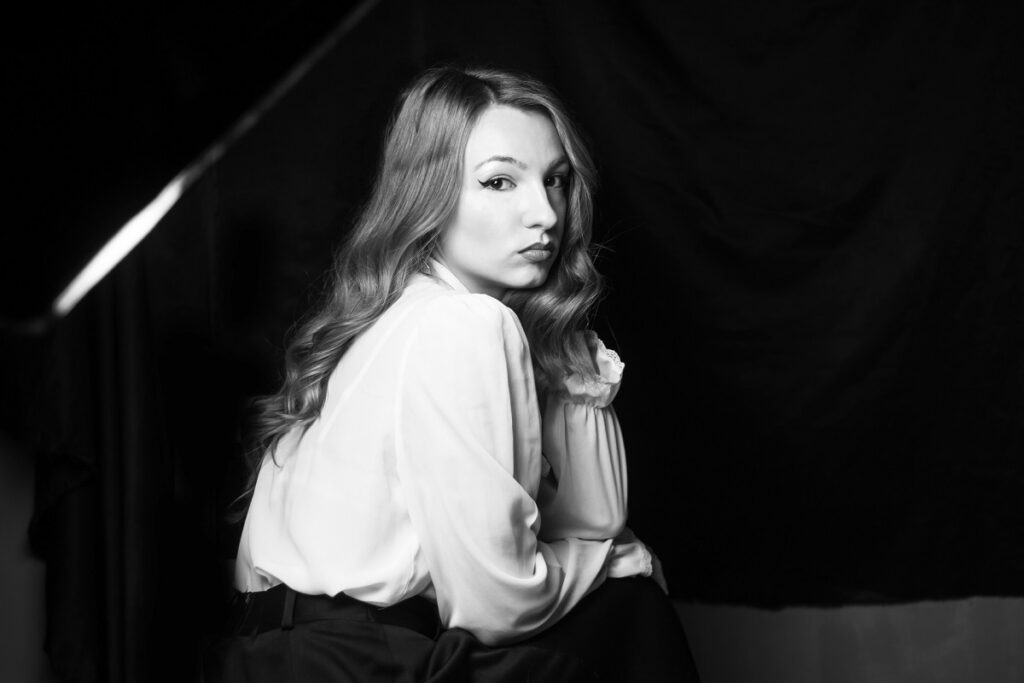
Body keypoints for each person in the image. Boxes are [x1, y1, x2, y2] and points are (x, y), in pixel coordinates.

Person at [204, 65, 700, 682]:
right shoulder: (461, 323)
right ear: (429, 196)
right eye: (499, 182)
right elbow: (500, 603)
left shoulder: (397, 315)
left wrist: (560, 342)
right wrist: (611, 563)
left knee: (625, 607)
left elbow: (593, 521)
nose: (545, 214)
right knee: (633, 609)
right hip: (354, 662)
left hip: (271, 658)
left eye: (555, 181)